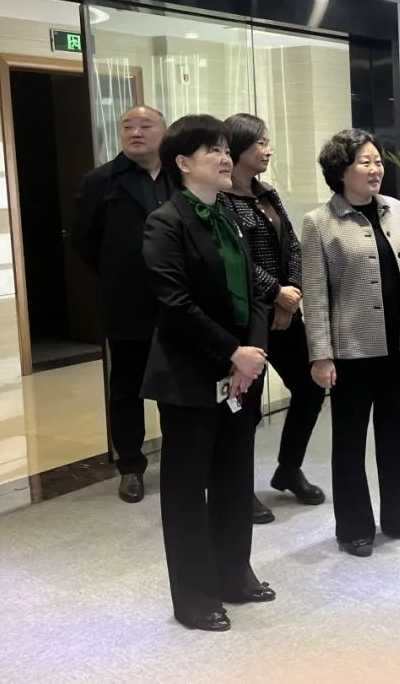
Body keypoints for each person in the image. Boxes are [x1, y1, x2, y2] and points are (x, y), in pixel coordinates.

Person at [141, 114, 274, 632]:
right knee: (186, 489)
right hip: (189, 375)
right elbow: (175, 304)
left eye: (225, 149)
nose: (225, 158)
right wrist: (231, 353)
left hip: (239, 373)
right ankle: (194, 596)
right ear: (182, 162)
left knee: (234, 478)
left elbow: (256, 293)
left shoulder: (228, 217)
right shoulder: (165, 223)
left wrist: (252, 355)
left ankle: (234, 575)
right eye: (213, 150)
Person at [301, 129, 400, 558]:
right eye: (365, 162)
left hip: (398, 343)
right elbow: (315, 295)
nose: (376, 170)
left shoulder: (395, 209)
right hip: (351, 351)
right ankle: (354, 527)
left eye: (378, 162)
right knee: (350, 442)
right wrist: (321, 355)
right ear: (341, 171)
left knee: (395, 434)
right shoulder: (320, 223)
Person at [223, 113, 327, 525]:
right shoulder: (221, 199)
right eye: (260, 143)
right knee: (244, 407)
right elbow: (235, 259)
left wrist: (291, 294)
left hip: (285, 313)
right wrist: (274, 294)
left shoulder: (267, 193)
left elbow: (294, 247)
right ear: (237, 148)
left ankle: (289, 468)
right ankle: (237, 487)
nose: (268, 150)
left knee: (312, 385)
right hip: (248, 319)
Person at [73, 105, 172, 503]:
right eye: (127, 126)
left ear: (163, 132)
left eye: (145, 125)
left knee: (175, 384)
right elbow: (84, 241)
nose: (135, 132)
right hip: (127, 302)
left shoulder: (179, 175)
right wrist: (120, 271)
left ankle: (182, 457)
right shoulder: (102, 180)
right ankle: (130, 466)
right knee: (127, 388)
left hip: (175, 303)